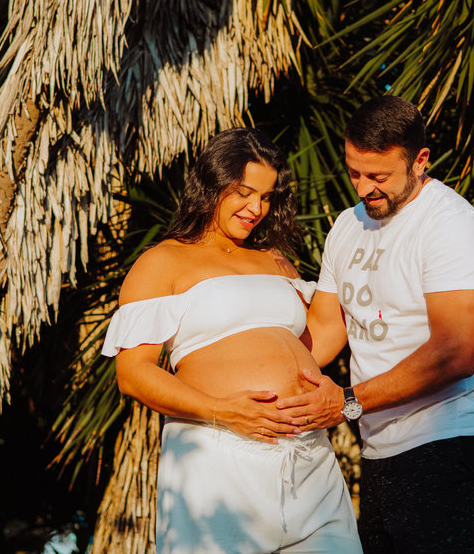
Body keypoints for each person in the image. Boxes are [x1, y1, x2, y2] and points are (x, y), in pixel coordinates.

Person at [101, 127, 362, 554]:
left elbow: (320, 337)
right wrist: (223, 411)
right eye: (244, 192)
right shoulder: (164, 260)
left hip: (309, 458)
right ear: (212, 184)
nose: (257, 207)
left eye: (266, 196)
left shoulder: (275, 259)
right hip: (219, 457)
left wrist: (325, 390)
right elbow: (133, 374)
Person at [279, 96, 474, 553]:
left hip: (454, 443)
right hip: (380, 451)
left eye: (379, 176)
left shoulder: (453, 226)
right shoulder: (347, 226)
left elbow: (454, 353)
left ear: (420, 160)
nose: (364, 188)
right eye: (354, 172)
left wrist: (346, 403)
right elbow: (325, 330)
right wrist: (260, 375)